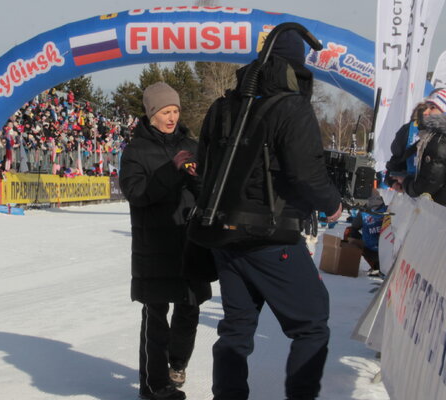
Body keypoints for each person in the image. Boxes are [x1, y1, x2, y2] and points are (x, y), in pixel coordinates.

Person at [190, 30, 342, 400]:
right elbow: (307, 173)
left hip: (223, 235)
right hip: (270, 236)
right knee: (311, 324)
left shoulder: (223, 106)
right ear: (296, 67)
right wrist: (332, 203)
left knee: (237, 328)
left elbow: (206, 169)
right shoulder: (291, 107)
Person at [119, 82, 212, 400]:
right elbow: (137, 194)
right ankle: (155, 386)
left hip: (189, 240)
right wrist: (173, 171)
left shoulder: (192, 145)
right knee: (156, 315)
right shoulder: (135, 151)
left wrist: (199, 180)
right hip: (155, 244)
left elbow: (206, 192)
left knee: (190, 307)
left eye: (175, 110)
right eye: (165, 111)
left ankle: (178, 361)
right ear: (151, 114)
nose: (171, 117)